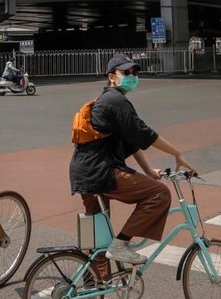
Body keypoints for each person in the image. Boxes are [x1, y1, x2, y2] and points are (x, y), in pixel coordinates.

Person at [69, 54, 196, 266]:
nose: (132, 76)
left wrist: (148, 171)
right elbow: (144, 133)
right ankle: (120, 245)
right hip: (101, 171)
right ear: (112, 77)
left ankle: (94, 284)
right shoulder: (116, 101)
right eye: (126, 72)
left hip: (85, 172)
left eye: (135, 72)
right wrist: (177, 153)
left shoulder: (106, 100)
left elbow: (132, 140)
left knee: (99, 237)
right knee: (159, 193)